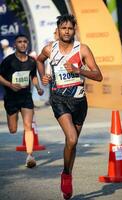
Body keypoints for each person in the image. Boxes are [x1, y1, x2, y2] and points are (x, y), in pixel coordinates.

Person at [37, 14, 103, 199]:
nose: (66, 31)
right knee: (72, 139)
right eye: (63, 28)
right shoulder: (50, 49)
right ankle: (66, 174)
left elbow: (98, 76)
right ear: (58, 30)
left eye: (70, 28)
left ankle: (67, 173)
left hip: (80, 102)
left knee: (71, 145)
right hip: (59, 99)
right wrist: (44, 77)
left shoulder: (82, 49)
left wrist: (78, 70)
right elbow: (39, 60)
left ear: (74, 30)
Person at [0, 34, 43, 168]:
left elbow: (33, 76)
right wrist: (10, 85)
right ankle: (14, 118)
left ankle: (30, 156)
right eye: (20, 42)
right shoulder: (9, 61)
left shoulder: (31, 61)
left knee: (28, 126)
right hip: (11, 98)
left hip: (26, 97)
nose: (23, 44)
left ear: (27, 44)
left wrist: (38, 87)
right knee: (13, 129)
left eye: (25, 42)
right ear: (15, 45)